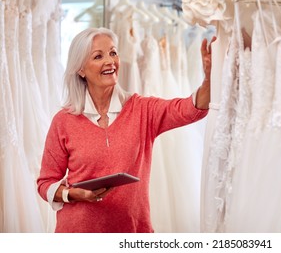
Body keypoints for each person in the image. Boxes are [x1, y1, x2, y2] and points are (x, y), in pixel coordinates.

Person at [37, 27, 216, 233]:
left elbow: (191, 108)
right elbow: (45, 183)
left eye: (113, 53)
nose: (110, 61)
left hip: (131, 231)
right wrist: (73, 194)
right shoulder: (64, 121)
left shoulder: (142, 110)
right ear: (81, 69)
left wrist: (209, 79)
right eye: (98, 56)